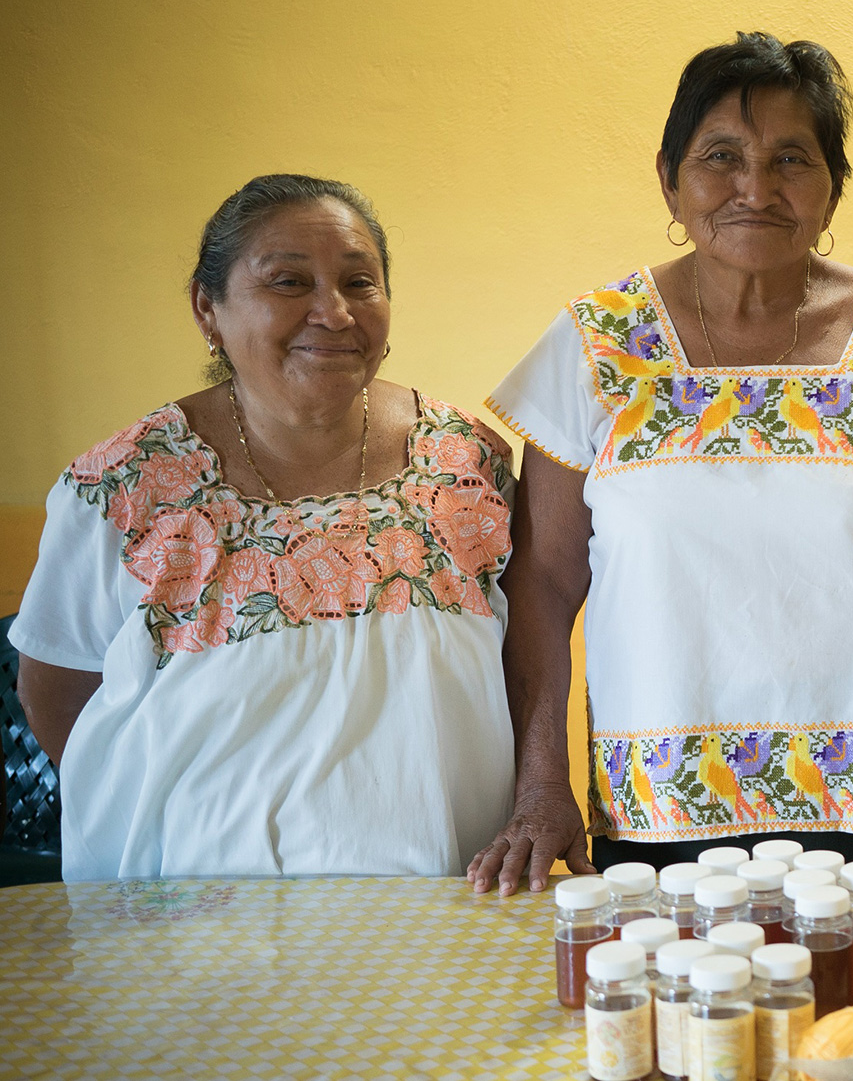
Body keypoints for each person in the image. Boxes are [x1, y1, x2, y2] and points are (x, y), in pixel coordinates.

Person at [470, 32, 853, 892]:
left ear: (832, 184)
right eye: (721, 156)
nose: (755, 189)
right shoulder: (595, 345)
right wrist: (543, 785)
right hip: (656, 818)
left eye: (791, 159)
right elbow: (541, 582)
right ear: (669, 178)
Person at [14, 175, 517, 879]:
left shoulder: (470, 466)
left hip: (436, 895)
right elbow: (56, 685)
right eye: (287, 282)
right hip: (194, 919)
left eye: (360, 283)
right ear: (207, 308)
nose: (333, 313)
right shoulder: (124, 485)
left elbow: (523, 663)